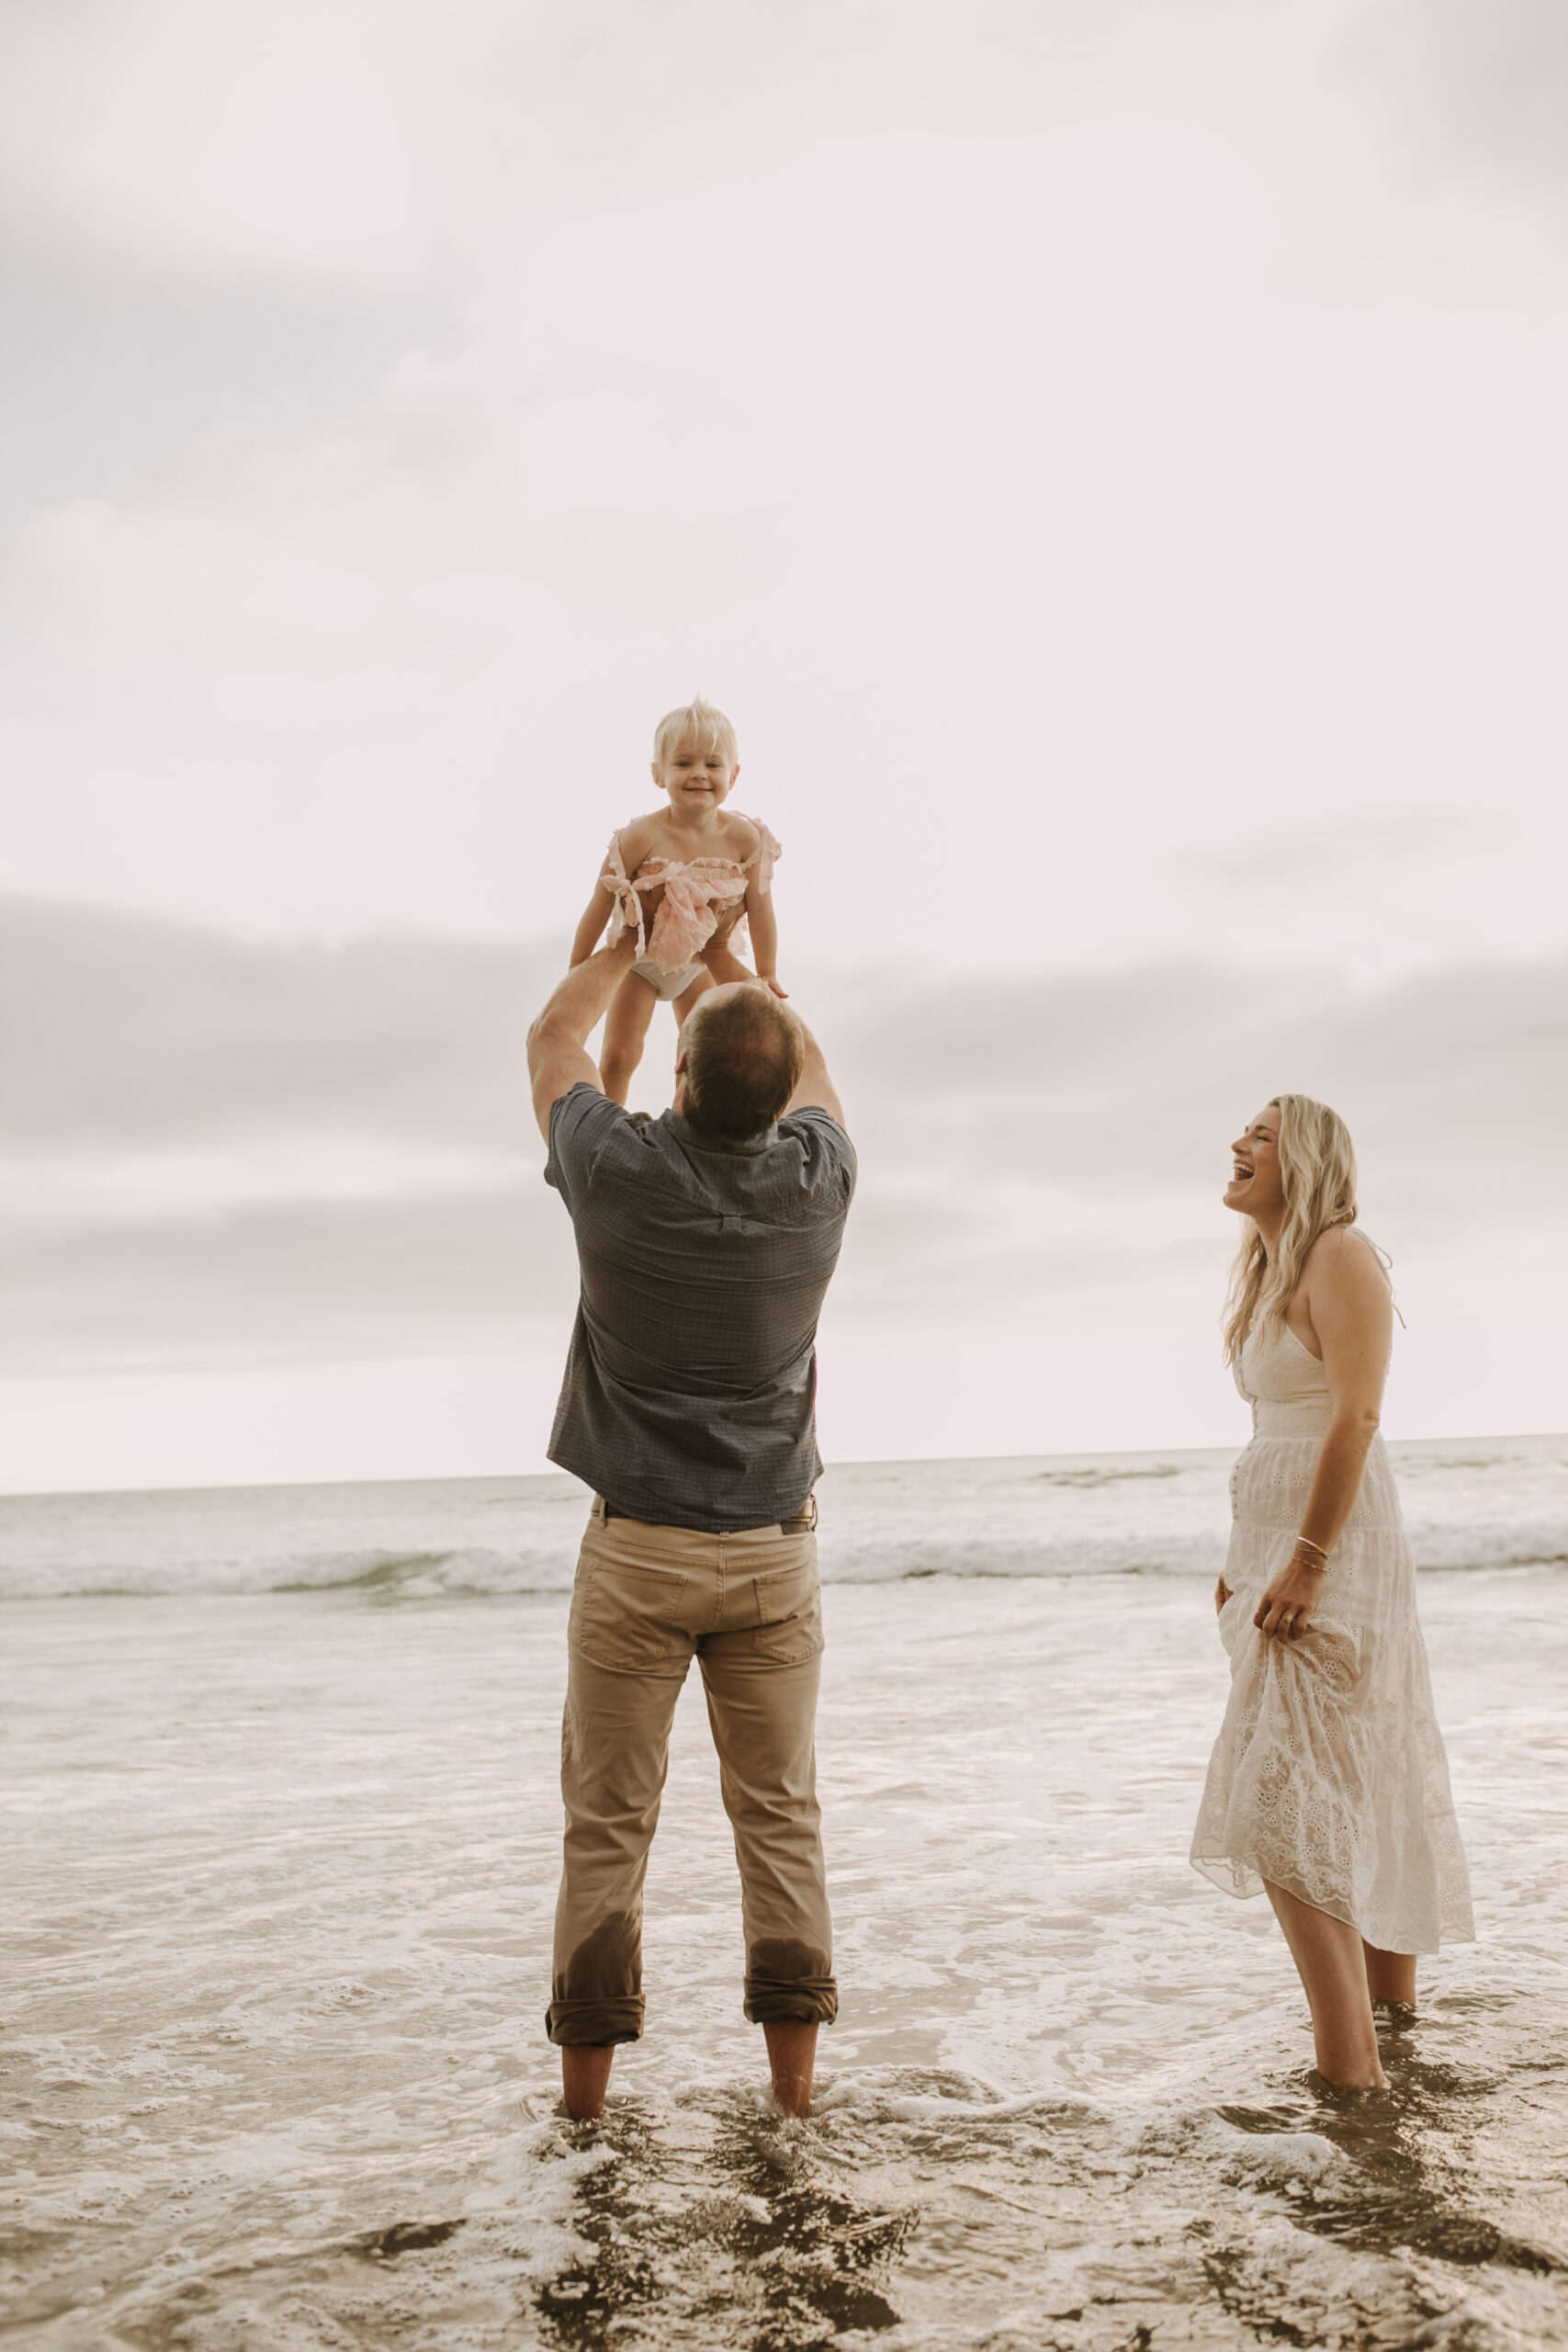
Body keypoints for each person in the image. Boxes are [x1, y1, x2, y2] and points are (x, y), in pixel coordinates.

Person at [526, 913, 853, 2123]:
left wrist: (628, 935)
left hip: (636, 1556)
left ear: (674, 1076)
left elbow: (550, 1034)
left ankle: (586, 2114)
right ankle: (792, 2101)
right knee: (779, 1826)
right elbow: (800, 1053)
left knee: (606, 1831)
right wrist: (724, 951)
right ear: (774, 1096)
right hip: (775, 1559)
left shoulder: (613, 1170)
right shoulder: (822, 1177)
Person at [1190, 1096, 1473, 2088]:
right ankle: (1392, 2033)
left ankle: (1350, 2070)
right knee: (1350, 1782)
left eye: (1260, 1134)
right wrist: (1245, 1553)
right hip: (1278, 1549)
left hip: (1333, 1554)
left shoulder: (1343, 1253)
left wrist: (1307, 1555)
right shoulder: (1269, 1270)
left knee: (1283, 1803)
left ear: (1304, 1157)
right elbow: (1282, 1430)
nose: (1238, 1143)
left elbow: (1354, 1414)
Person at [569, 697, 784, 1106]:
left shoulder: (745, 839)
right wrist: (578, 965)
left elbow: (761, 909)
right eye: (684, 763)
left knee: (702, 1057)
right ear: (658, 773)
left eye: (713, 764)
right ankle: (609, 1126)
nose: (699, 774)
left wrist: (767, 971)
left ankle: (687, 1131)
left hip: (699, 962)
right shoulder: (639, 836)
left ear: (733, 775)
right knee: (620, 1054)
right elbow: (599, 902)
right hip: (640, 962)